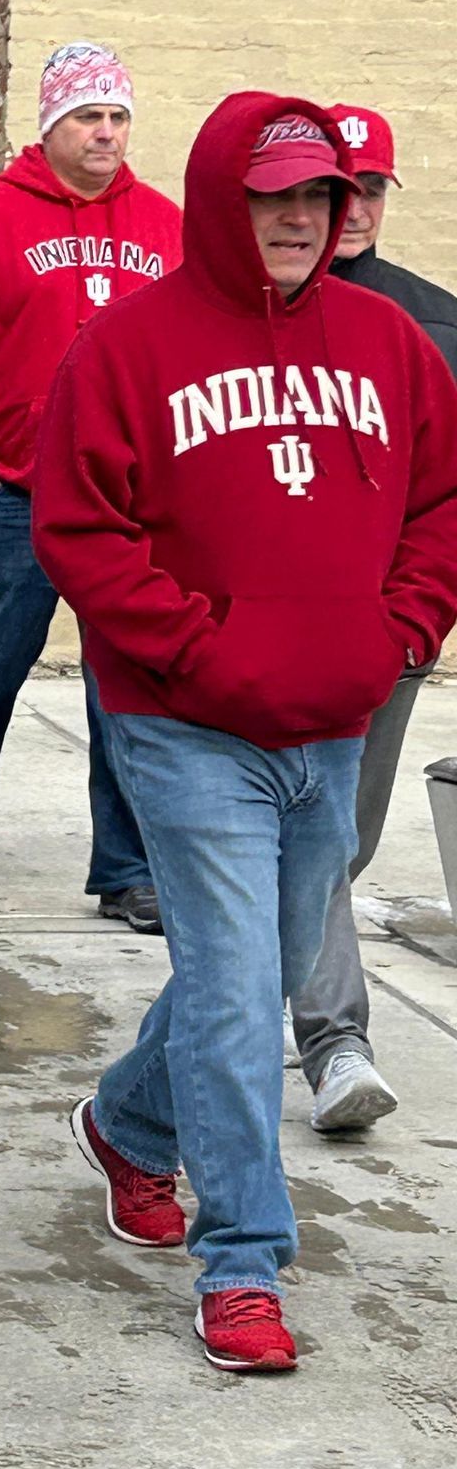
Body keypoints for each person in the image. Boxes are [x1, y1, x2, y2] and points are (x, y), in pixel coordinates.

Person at [36, 94, 457, 1371]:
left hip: (332, 721)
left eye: (321, 195)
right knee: (233, 990)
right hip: (185, 723)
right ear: (227, 196)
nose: (299, 217)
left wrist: (400, 632)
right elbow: (81, 528)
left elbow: (441, 503)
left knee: (258, 975)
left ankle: (127, 1124)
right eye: (274, 194)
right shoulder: (127, 345)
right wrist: (202, 647)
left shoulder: (391, 345)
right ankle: (243, 1262)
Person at [0, 40, 182, 919]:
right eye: (87, 116)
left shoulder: (167, 228)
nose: (106, 132)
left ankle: (128, 870)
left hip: (126, 506)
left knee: (127, 686)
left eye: (117, 116)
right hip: (13, 501)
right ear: (51, 124)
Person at [282, 103, 457, 1133]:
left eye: (371, 189)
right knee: (307, 839)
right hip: (262, 630)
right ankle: (336, 1042)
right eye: (333, 188)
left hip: (383, 635)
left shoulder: (437, 326)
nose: (351, 209)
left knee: (335, 844)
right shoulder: (244, 316)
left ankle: (270, 1006)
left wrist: (418, 618)